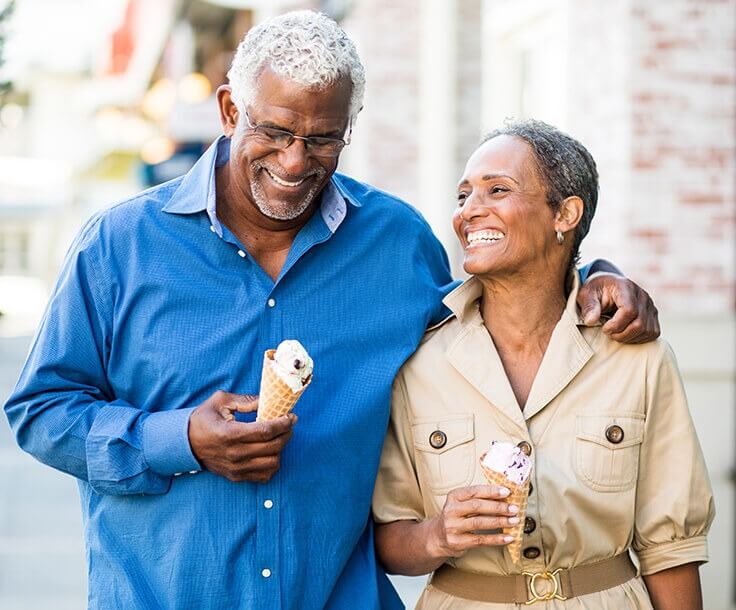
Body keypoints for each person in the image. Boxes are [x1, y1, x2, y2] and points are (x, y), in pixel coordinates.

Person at [4, 11, 658, 610]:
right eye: (275, 131)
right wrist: (178, 439)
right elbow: (39, 411)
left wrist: (590, 276)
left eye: (323, 139)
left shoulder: (396, 243)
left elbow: (497, 322)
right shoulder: (121, 245)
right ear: (231, 109)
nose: (295, 162)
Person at [372, 120, 714, 609]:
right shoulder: (419, 362)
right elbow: (386, 536)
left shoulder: (638, 359)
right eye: (464, 195)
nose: (470, 210)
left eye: (498, 190)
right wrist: (438, 535)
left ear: (565, 214)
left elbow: (671, 549)